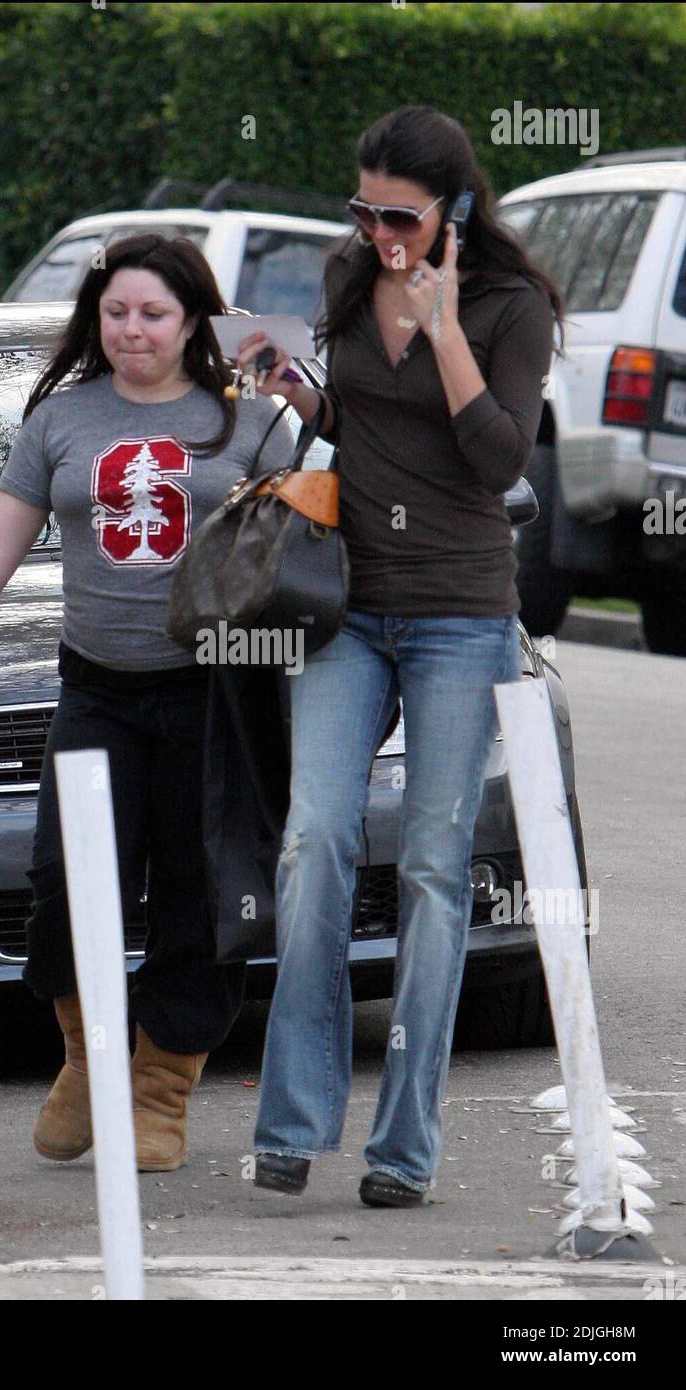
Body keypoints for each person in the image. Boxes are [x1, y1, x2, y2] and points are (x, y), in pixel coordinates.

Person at [0, 233, 295, 1172]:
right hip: (98, 691)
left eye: (155, 314)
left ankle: (162, 1088)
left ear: (193, 322)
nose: (133, 331)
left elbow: (303, 552)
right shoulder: (61, 418)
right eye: (117, 312)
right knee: (64, 880)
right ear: (96, 318)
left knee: (198, 890)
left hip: (218, 693)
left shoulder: (249, 418)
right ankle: (88, 1060)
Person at [236, 105, 567, 1205]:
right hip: (347, 601)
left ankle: (404, 1146)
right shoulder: (345, 278)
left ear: (454, 211)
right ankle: (290, 1123)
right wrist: (301, 395)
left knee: (432, 867)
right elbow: (357, 422)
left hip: (460, 613)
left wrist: (446, 329)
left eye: (398, 215)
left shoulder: (513, 306)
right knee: (314, 839)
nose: (378, 232)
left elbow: (498, 458)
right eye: (362, 208)